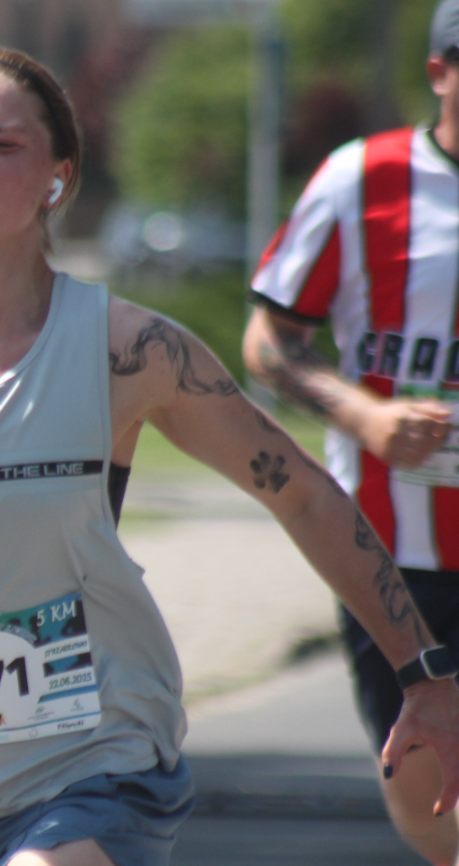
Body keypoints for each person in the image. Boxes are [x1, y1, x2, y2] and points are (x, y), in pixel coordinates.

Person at [0, 45, 459, 866]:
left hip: (87, 770)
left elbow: (300, 491)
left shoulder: (130, 350)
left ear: (57, 174)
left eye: (0, 143)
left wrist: (424, 673)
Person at [244, 3, 459, 862]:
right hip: (391, 552)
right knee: (427, 794)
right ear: (441, 71)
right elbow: (269, 342)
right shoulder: (360, 179)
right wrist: (363, 413)